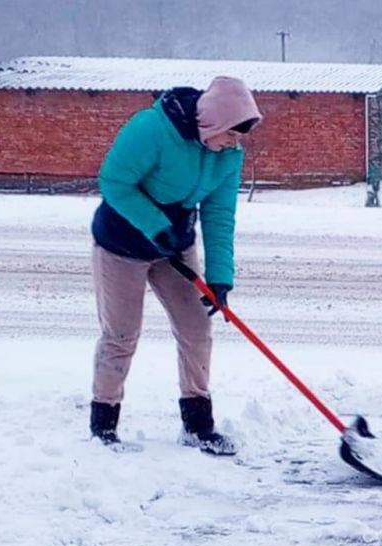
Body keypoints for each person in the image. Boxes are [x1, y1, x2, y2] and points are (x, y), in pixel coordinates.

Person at [89, 76, 262, 455]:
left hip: (174, 247)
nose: (235, 145)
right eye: (231, 135)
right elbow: (114, 181)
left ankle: (198, 425)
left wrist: (220, 279)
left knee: (196, 328)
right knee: (121, 335)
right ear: (212, 123)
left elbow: (219, 216)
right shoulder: (152, 129)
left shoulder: (227, 155)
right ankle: (103, 427)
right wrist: (155, 227)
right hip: (121, 243)